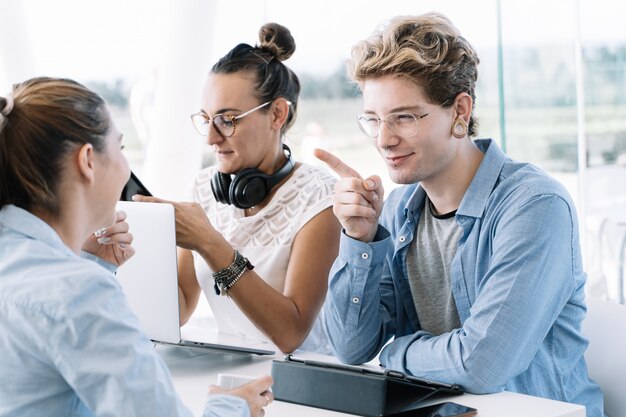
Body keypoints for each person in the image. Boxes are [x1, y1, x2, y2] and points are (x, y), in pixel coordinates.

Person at [314, 12, 604, 416]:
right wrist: (360, 241)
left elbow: (481, 364)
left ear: (460, 111)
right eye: (374, 120)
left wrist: (396, 353)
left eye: (405, 117)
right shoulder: (398, 211)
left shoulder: (535, 206)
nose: (384, 139)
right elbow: (350, 347)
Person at [0, 77, 273, 417]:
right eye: (121, 147)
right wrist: (232, 407)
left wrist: (89, 265)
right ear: (87, 161)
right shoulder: (80, 292)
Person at [136, 23, 340, 354]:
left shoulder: (320, 198)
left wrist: (208, 242)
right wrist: (132, 255)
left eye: (227, 120)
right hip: (231, 372)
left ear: (277, 114)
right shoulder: (204, 187)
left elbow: (291, 333)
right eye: (207, 119)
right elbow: (183, 302)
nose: (211, 138)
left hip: (301, 384)